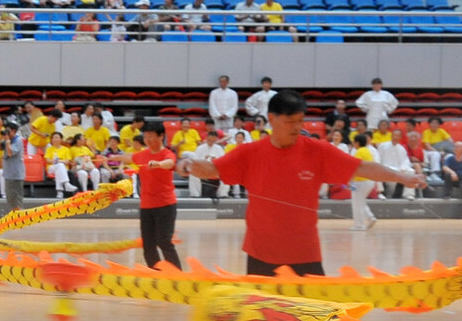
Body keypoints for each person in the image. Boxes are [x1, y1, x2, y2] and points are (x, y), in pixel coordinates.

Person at [180, 91, 424, 276]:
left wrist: (402, 176)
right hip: (261, 254)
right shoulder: (249, 152)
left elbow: (361, 167)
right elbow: (212, 169)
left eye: (301, 121)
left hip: (305, 253)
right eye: (291, 122)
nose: (298, 128)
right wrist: (187, 164)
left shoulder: (317, 151)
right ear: (272, 119)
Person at [133, 124, 182, 269]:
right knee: (148, 244)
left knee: (164, 241)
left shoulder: (167, 154)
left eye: (150, 136)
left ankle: (177, 275)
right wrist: (109, 158)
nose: (147, 139)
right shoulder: (142, 155)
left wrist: (158, 164)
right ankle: (156, 274)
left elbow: (170, 163)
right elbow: (129, 157)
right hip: (146, 206)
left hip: (165, 205)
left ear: (161, 136)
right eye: (145, 136)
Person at [348, 133, 378, 231]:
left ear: (357, 143)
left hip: (361, 182)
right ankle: (370, 217)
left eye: (354, 142)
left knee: (357, 203)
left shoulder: (359, 152)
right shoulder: (367, 151)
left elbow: (355, 168)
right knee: (360, 202)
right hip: (369, 181)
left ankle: (359, 225)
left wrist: (349, 180)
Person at [1, 118, 25, 210]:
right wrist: (1, 138)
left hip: (16, 174)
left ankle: (20, 218)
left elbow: (10, 153)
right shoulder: (7, 140)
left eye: (8, 131)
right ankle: (15, 216)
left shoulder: (18, 140)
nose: (7, 133)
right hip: (8, 173)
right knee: (10, 198)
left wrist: (7, 141)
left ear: (14, 131)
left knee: (17, 198)